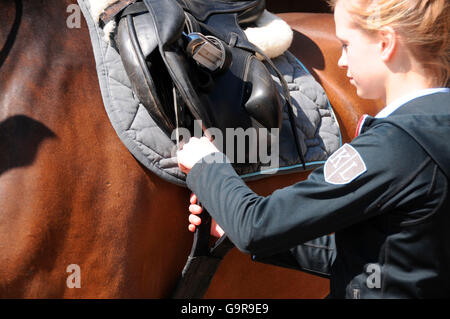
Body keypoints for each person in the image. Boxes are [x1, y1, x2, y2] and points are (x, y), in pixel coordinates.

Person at [177, 0, 450, 298]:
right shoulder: (436, 124)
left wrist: (207, 165)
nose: (343, 60)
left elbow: (256, 227)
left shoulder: (395, 144)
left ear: (385, 43)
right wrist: (230, 224)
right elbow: (375, 261)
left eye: (346, 44)